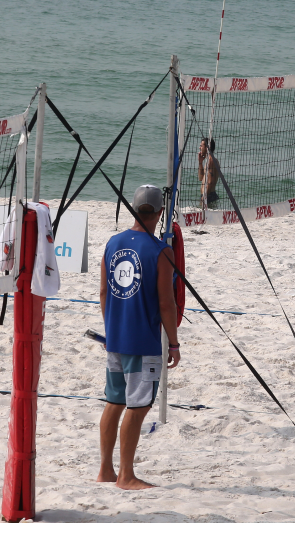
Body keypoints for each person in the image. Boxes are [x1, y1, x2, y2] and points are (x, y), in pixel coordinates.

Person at [97, 184, 181, 490]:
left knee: (114, 402)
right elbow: (166, 303)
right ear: (160, 212)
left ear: (134, 209)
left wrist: (110, 329)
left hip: (116, 337)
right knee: (138, 406)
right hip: (143, 341)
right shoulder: (161, 251)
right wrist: (173, 342)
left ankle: (106, 470)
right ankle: (126, 476)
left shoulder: (113, 242)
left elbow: (104, 292)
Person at [197, 138, 219, 209]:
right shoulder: (209, 161)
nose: (199, 147)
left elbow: (210, 181)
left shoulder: (211, 161)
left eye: (201, 146)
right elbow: (201, 178)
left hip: (208, 195)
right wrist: (200, 162)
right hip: (207, 195)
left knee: (205, 218)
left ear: (207, 148)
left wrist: (204, 197)